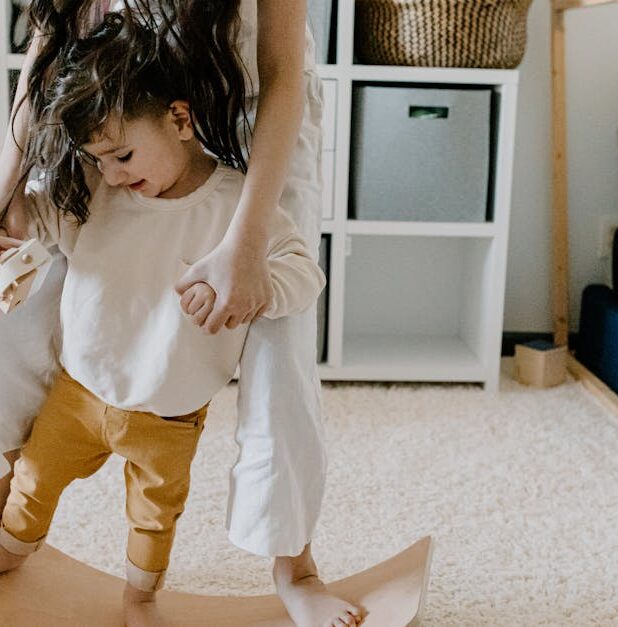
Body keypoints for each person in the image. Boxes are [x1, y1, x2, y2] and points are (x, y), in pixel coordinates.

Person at [0, 1, 364, 625]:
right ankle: (10, 508)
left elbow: (280, 73)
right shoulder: (107, 160)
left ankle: (295, 567)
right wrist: (8, 189)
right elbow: (48, 45)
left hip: (251, 88)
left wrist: (246, 244)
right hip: (119, 88)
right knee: (28, 294)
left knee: (280, 341)